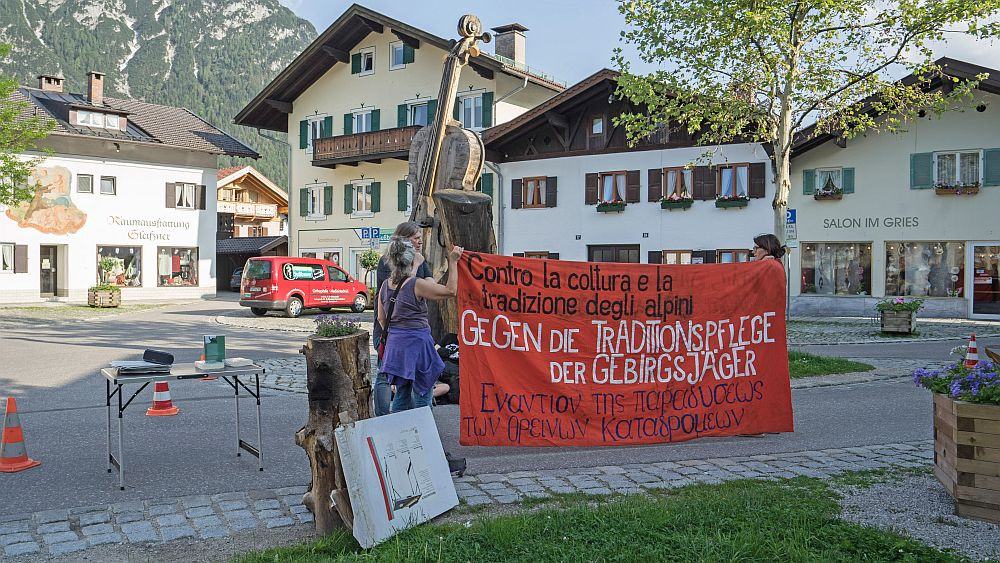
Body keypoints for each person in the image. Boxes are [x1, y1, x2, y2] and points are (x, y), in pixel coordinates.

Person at [377, 237, 463, 412]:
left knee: (402, 393)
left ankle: (400, 433)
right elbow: (450, 291)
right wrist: (453, 262)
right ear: (410, 258)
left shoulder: (386, 285)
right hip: (417, 344)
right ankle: (421, 434)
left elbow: (381, 318)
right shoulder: (417, 285)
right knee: (423, 392)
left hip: (396, 345)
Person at [373, 222, 434, 416]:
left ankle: (403, 422)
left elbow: (430, 283)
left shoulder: (420, 260)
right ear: (404, 240)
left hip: (408, 331)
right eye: (416, 237)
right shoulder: (387, 261)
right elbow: (404, 287)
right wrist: (416, 268)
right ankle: (383, 417)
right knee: (385, 374)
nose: (420, 241)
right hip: (389, 330)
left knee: (405, 383)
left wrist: (421, 278)